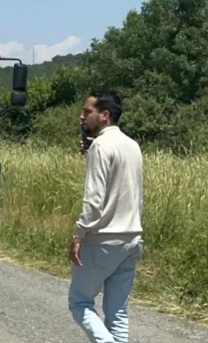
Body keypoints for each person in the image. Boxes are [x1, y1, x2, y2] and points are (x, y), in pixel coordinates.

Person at [67, 92, 145, 343]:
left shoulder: (101, 146)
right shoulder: (132, 145)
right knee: (118, 311)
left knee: (80, 302)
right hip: (132, 237)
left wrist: (79, 233)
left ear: (105, 115)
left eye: (87, 111)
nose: (82, 116)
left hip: (103, 239)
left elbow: (94, 200)